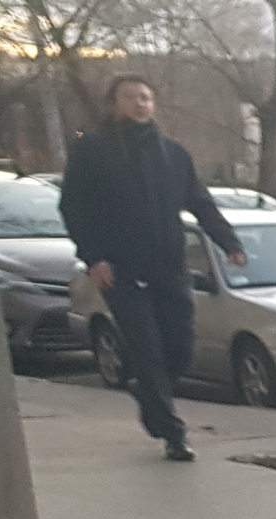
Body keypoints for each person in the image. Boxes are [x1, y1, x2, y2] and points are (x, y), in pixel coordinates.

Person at [58, 75, 244, 462]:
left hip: (170, 267)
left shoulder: (173, 154)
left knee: (180, 349)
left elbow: (200, 202)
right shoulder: (91, 151)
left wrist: (230, 244)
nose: (140, 104)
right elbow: (73, 209)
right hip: (121, 271)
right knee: (148, 352)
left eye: (146, 97)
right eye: (131, 97)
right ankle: (173, 433)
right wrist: (94, 258)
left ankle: (148, 392)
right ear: (114, 104)